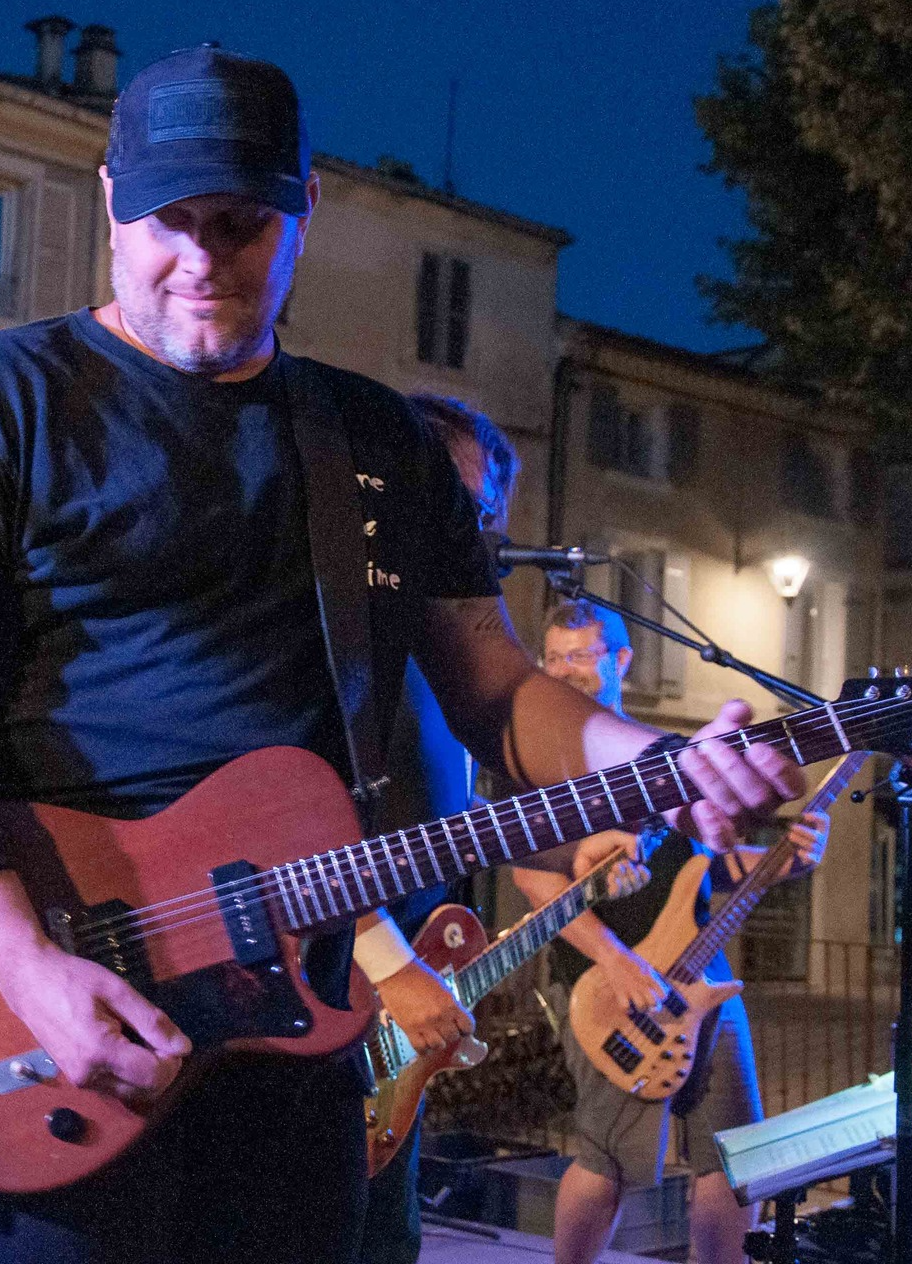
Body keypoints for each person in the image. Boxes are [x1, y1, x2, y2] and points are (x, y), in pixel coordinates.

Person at [0, 43, 803, 1264]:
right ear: (109, 200)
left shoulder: (373, 441)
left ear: (305, 210)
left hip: (292, 1046)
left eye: (239, 224)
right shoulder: (2, 397)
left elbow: (497, 694)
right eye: (168, 221)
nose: (201, 259)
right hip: (49, 1005)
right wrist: (22, 963)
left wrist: (656, 760)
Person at [512, 599, 826, 1264]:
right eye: (554, 658)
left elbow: (711, 864)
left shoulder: (664, 758)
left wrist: (790, 861)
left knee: (732, 1156)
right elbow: (534, 881)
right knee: (606, 1159)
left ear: (621, 660)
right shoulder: (541, 768)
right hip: (605, 985)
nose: (564, 672)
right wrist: (616, 961)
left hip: (700, 977)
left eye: (581, 655)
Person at [357, 393, 518, 1264]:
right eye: (461, 504)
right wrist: (387, 962)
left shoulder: (440, 656)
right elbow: (281, 820)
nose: (473, 534)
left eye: (482, 517)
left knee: (387, 1241)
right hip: (336, 991)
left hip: (393, 1020)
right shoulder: (348, 635)